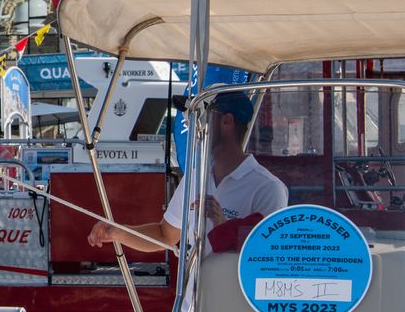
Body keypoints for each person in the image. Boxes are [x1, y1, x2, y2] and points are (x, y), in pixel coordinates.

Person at [87, 91, 287, 256]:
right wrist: (118, 232)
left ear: (227, 121)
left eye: (199, 117)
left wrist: (222, 224)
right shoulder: (195, 178)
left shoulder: (268, 188)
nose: (191, 126)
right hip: (192, 305)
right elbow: (165, 235)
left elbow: (266, 255)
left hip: (231, 303)